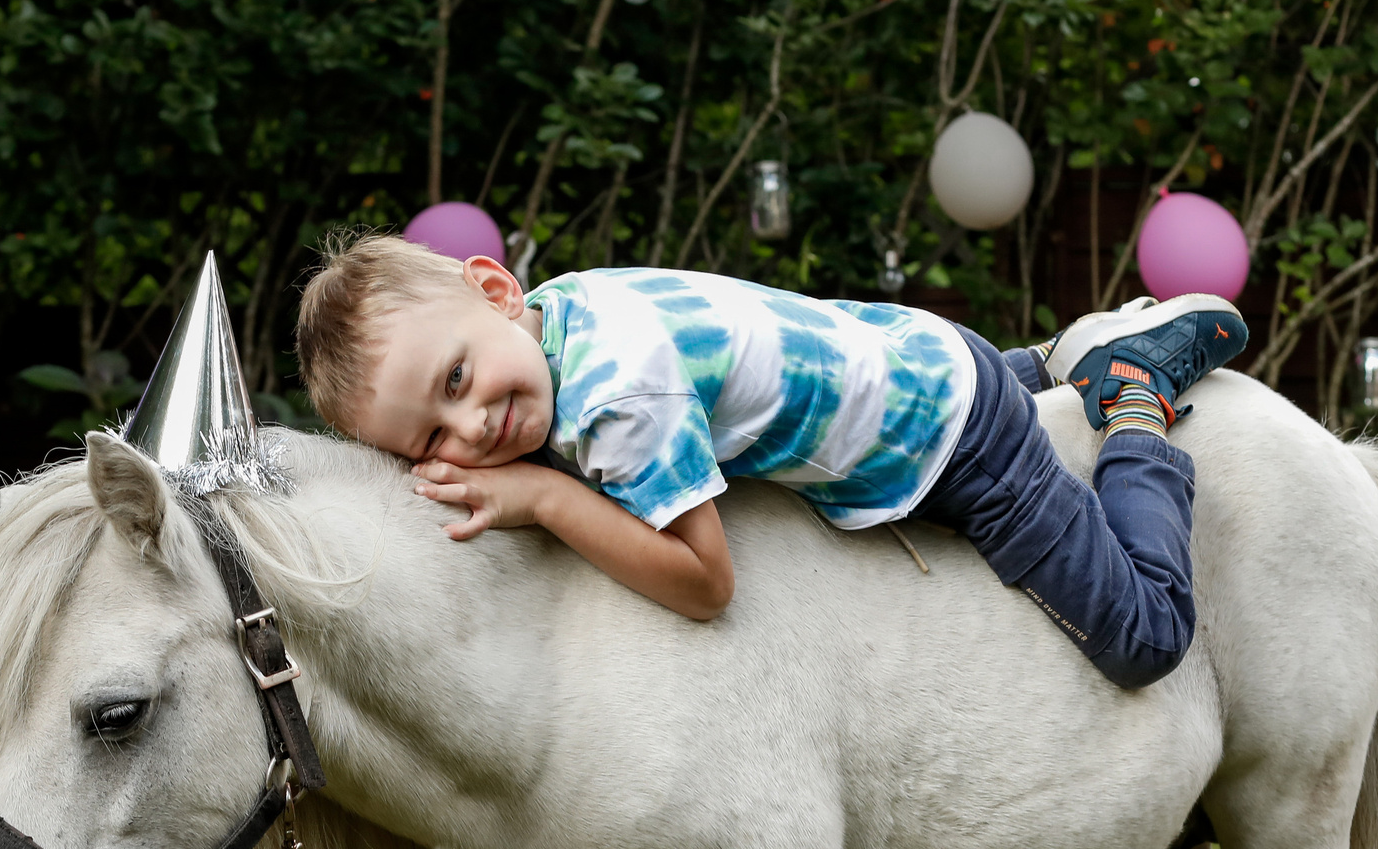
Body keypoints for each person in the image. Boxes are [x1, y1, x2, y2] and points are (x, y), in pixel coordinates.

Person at [291, 237, 1249, 688]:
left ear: (496, 290)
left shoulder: (623, 397)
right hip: (900, 351)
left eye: (458, 377)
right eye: (430, 439)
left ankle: (1130, 397)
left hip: (954, 439)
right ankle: (1040, 362)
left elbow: (705, 582)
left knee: (1145, 637)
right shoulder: (559, 309)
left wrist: (542, 497)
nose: (474, 429)